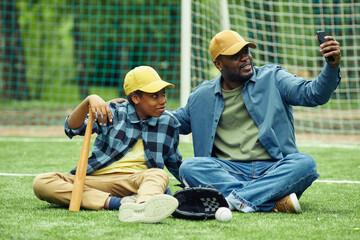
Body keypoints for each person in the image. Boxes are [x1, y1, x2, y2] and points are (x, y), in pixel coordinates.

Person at [173, 30, 341, 213]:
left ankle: (232, 200)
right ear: (219, 64)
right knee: (190, 167)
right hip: (228, 171)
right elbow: (171, 122)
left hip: (273, 169)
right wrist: (141, 105)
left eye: (246, 51)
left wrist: (332, 66)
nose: (246, 58)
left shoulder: (273, 77)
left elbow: (314, 94)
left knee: (305, 164)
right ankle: (271, 201)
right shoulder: (201, 96)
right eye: (236, 55)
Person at [33, 66, 182, 223]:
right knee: (42, 182)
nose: (163, 100)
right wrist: (88, 101)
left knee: (158, 174)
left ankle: (144, 204)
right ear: (136, 98)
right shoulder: (114, 112)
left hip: (137, 181)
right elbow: (71, 128)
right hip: (97, 179)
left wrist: (194, 186)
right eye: (154, 95)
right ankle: (122, 203)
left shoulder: (169, 122)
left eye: (163, 94)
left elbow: (175, 163)